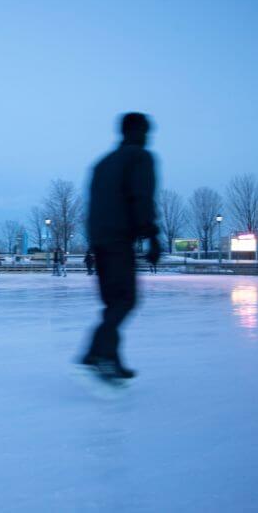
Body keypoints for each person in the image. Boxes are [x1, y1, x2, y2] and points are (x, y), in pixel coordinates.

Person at [80, 112, 160, 382]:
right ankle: (95, 353)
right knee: (125, 300)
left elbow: (92, 207)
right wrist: (151, 235)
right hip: (118, 240)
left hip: (101, 240)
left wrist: (93, 243)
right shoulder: (139, 157)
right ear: (135, 132)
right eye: (145, 131)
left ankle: (109, 356)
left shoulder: (101, 164)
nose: (147, 137)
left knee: (113, 302)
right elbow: (141, 196)